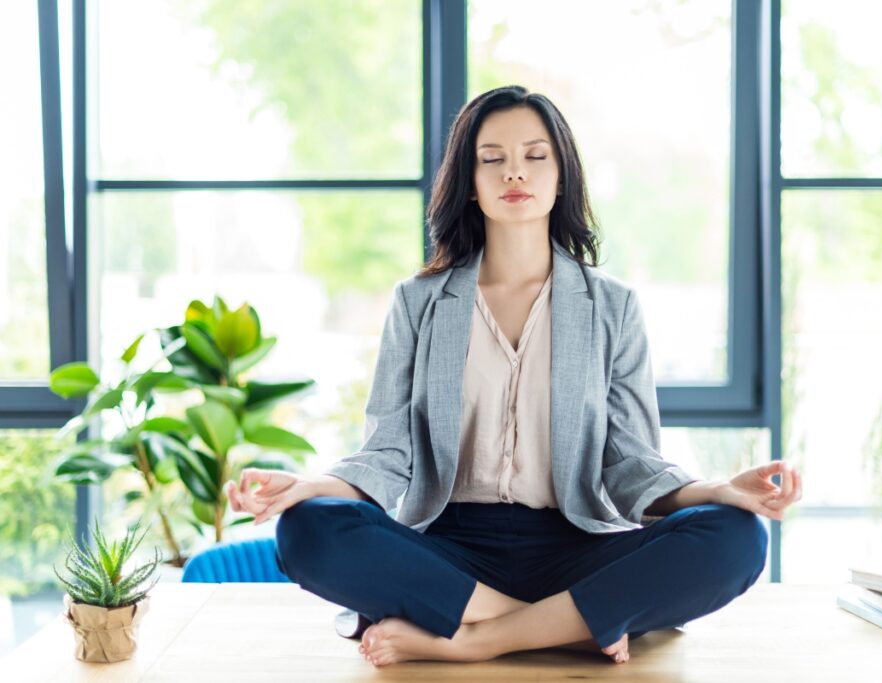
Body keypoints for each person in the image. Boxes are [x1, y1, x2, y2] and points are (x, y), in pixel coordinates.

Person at [225, 85, 802, 668]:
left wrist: (718, 491)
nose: (514, 174)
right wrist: (307, 487)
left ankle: (479, 636)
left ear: (561, 176)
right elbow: (387, 453)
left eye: (535, 155)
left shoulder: (613, 306)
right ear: (470, 183)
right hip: (450, 548)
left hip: (575, 545)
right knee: (307, 529)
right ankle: (568, 626)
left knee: (738, 535)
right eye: (492, 159)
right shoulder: (418, 303)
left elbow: (631, 466)